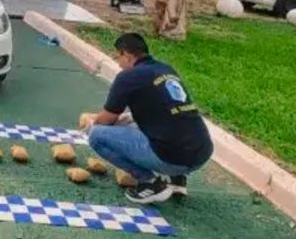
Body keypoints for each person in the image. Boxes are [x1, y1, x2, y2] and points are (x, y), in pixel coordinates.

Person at [81, 33, 213, 204]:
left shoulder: (127, 77)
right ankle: (178, 181)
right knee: (173, 119)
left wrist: (90, 124)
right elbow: (164, 109)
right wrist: (126, 120)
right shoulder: (166, 70)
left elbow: (106, 119)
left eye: (118, 57)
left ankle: (150, 183)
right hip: (201, 153)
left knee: (97, 135)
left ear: (126, 55)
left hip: (172, 158)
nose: (118, 64)